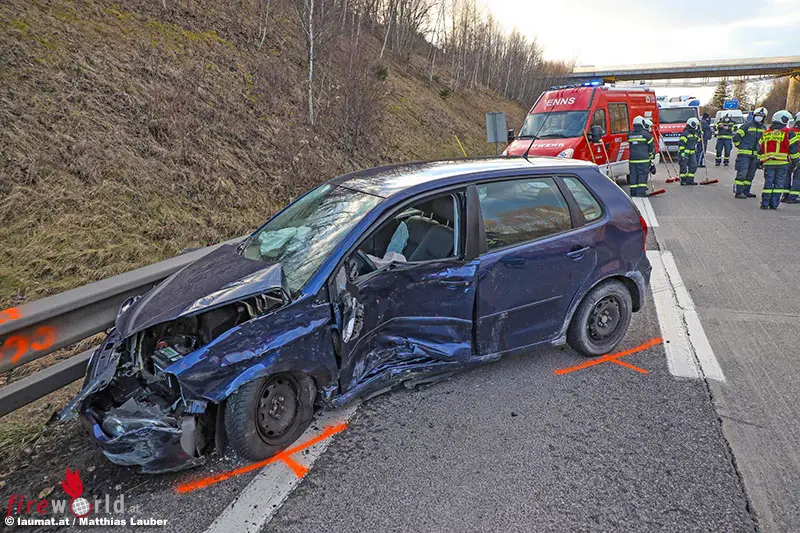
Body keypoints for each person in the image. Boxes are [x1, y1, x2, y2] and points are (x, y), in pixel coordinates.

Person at [757, 110, 799, 210]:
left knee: (768, 183)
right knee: (778, 184)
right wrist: (795, 161)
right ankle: (774, 204)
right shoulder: (789, 133)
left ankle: (765, 204)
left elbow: (760, 148)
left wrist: (759, 161)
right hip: (782, 163)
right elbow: (793, 149)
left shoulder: (766, 133)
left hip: (768, 163)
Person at [732, 107, 768, 199]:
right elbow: (736, 138)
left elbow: (764, 142)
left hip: (755, 155)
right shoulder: (746, 126)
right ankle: (738, 192)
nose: (759, 117)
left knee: (750, 175)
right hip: (744, 155)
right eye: (758, 115)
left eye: (761, 116)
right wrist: (740, 146)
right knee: (742, 173)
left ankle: (746, 191)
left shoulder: (764, 128)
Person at [627, 116, 655, 196]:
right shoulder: (647, 135)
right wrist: (651, 157)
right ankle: (641, 192)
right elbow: (651, 148)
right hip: (643, 160)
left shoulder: (629, 135)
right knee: (642, 175)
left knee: (633, 175)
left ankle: (633, 192)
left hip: (632, 160)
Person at [678, 117, 702, 185]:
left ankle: (690, 180)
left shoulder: (694, 133)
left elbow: (697, 141)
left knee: (693, 166)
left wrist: (700, 136)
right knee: (683, 167)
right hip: (684, 153)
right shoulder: (685, 134)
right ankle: (683, 180)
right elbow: (681, 144)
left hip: (692, 153)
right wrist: (682, 153)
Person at [786, 111, 800, 204]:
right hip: (797, 158)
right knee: (798, 178)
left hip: (788, 157)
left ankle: (785, 195)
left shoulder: (789, 131)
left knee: (787, 177)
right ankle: (792, 197)